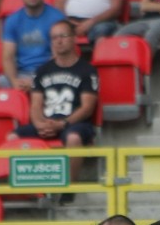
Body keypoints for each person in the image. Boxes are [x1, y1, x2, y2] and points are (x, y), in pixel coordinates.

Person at [8, 20, 98, 183]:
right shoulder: (42, 71)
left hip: (74, 124)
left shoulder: (87, 70)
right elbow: (35, 103)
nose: (59, 41)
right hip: (47, 122)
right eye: (54, 37)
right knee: (12, 137)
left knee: (73, 139)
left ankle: (69, 188)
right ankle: (29, 189)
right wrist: (38, 124)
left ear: (73, 38)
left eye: (63, 36)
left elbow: (87, 108)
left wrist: (62, 124)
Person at [0, 0, 66, 92]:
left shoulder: (57, 18)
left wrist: (36, 80)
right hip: (21, 74)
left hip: (50, 73)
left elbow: (60, 57)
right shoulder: (12, 20)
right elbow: (7, 57)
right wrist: (14, 81)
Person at [55, 0, 124, 43]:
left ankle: (100, 61)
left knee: (102, 30)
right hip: (71, 20)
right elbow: (59, 5)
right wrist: (67, 22)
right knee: (58, 29)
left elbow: (116, 9)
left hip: (101, 21)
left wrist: (91, 22)